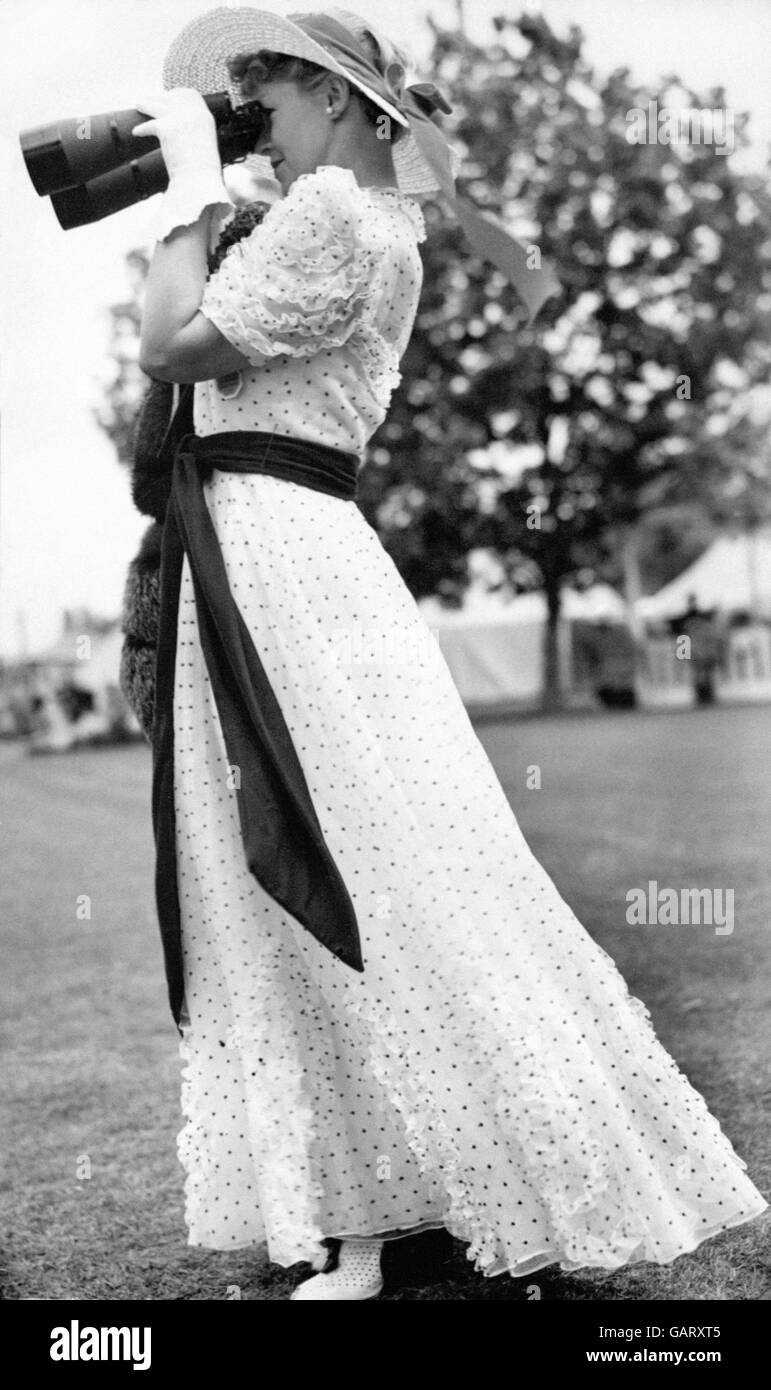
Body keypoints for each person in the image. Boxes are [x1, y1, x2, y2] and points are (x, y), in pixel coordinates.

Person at [132, 6, 767, 1300]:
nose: (260, 118)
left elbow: (169, 344)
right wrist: (208, 214)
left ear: (346, 102)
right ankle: (374, 1196)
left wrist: (189, 206)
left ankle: (367, 1228)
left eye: (275, 94)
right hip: (293, 551)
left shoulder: (328, 223)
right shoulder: (381, 227)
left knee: (323, 852)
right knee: (365, 852)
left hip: (275, 561)